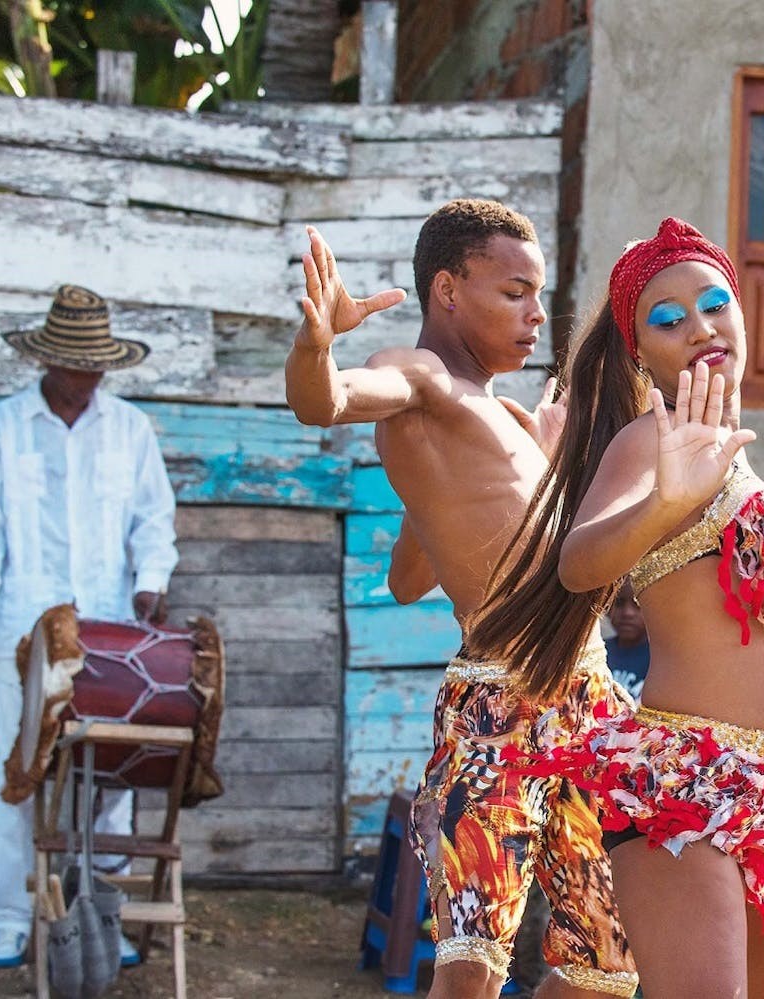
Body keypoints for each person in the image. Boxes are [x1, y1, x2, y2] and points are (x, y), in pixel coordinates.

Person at [467, 217, 764, 998]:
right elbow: (579, 562)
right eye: (668, 318)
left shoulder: (751, 469)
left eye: (714, 303)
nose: (699, 327)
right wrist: (664, 502)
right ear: (640, 351)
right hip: (685, 784)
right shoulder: (651, 443)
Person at [283, 200, 636, 999]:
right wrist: (316, 342)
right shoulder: (421, 376)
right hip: (499, 708)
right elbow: (324, 400)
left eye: (539, 295)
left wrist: (527, 476)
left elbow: (410, 575)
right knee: (474, 970)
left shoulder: (506, 413)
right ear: (447, 290)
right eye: (514, 291)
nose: (536, 314)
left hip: (586, 700)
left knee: (605, 968)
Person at [0, 285, 177, 970]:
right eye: (77, 366)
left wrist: (150, 585)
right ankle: (12, 916)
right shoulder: (0, 429)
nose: (88, 378)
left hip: (108, 629)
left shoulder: (130, 430)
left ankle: (101, 907)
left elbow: (153, 520)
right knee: (19, 774)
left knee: (109, 770)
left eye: (97, 367)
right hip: (26, 625)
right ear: (49, 362)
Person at [604, 582, 649, 700]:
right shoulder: (598, 652)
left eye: (638, 604)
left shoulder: (660, 659)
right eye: (619, 603)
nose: (627, 613)